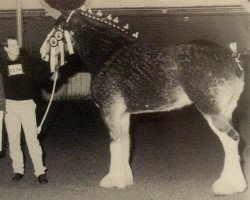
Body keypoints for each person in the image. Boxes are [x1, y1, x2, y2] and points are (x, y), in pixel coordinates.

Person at [0, 36, 53, 184]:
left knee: (32, 139)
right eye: (12, 45)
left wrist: (53, 68)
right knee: (14, 140)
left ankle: (40, 172)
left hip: (27, 105)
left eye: (16, 44)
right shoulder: (1, 63)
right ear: (6, 49)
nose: (16, 47)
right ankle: (18, 170)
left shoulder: (27, 61)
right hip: (10, 106)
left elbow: (42, 74)